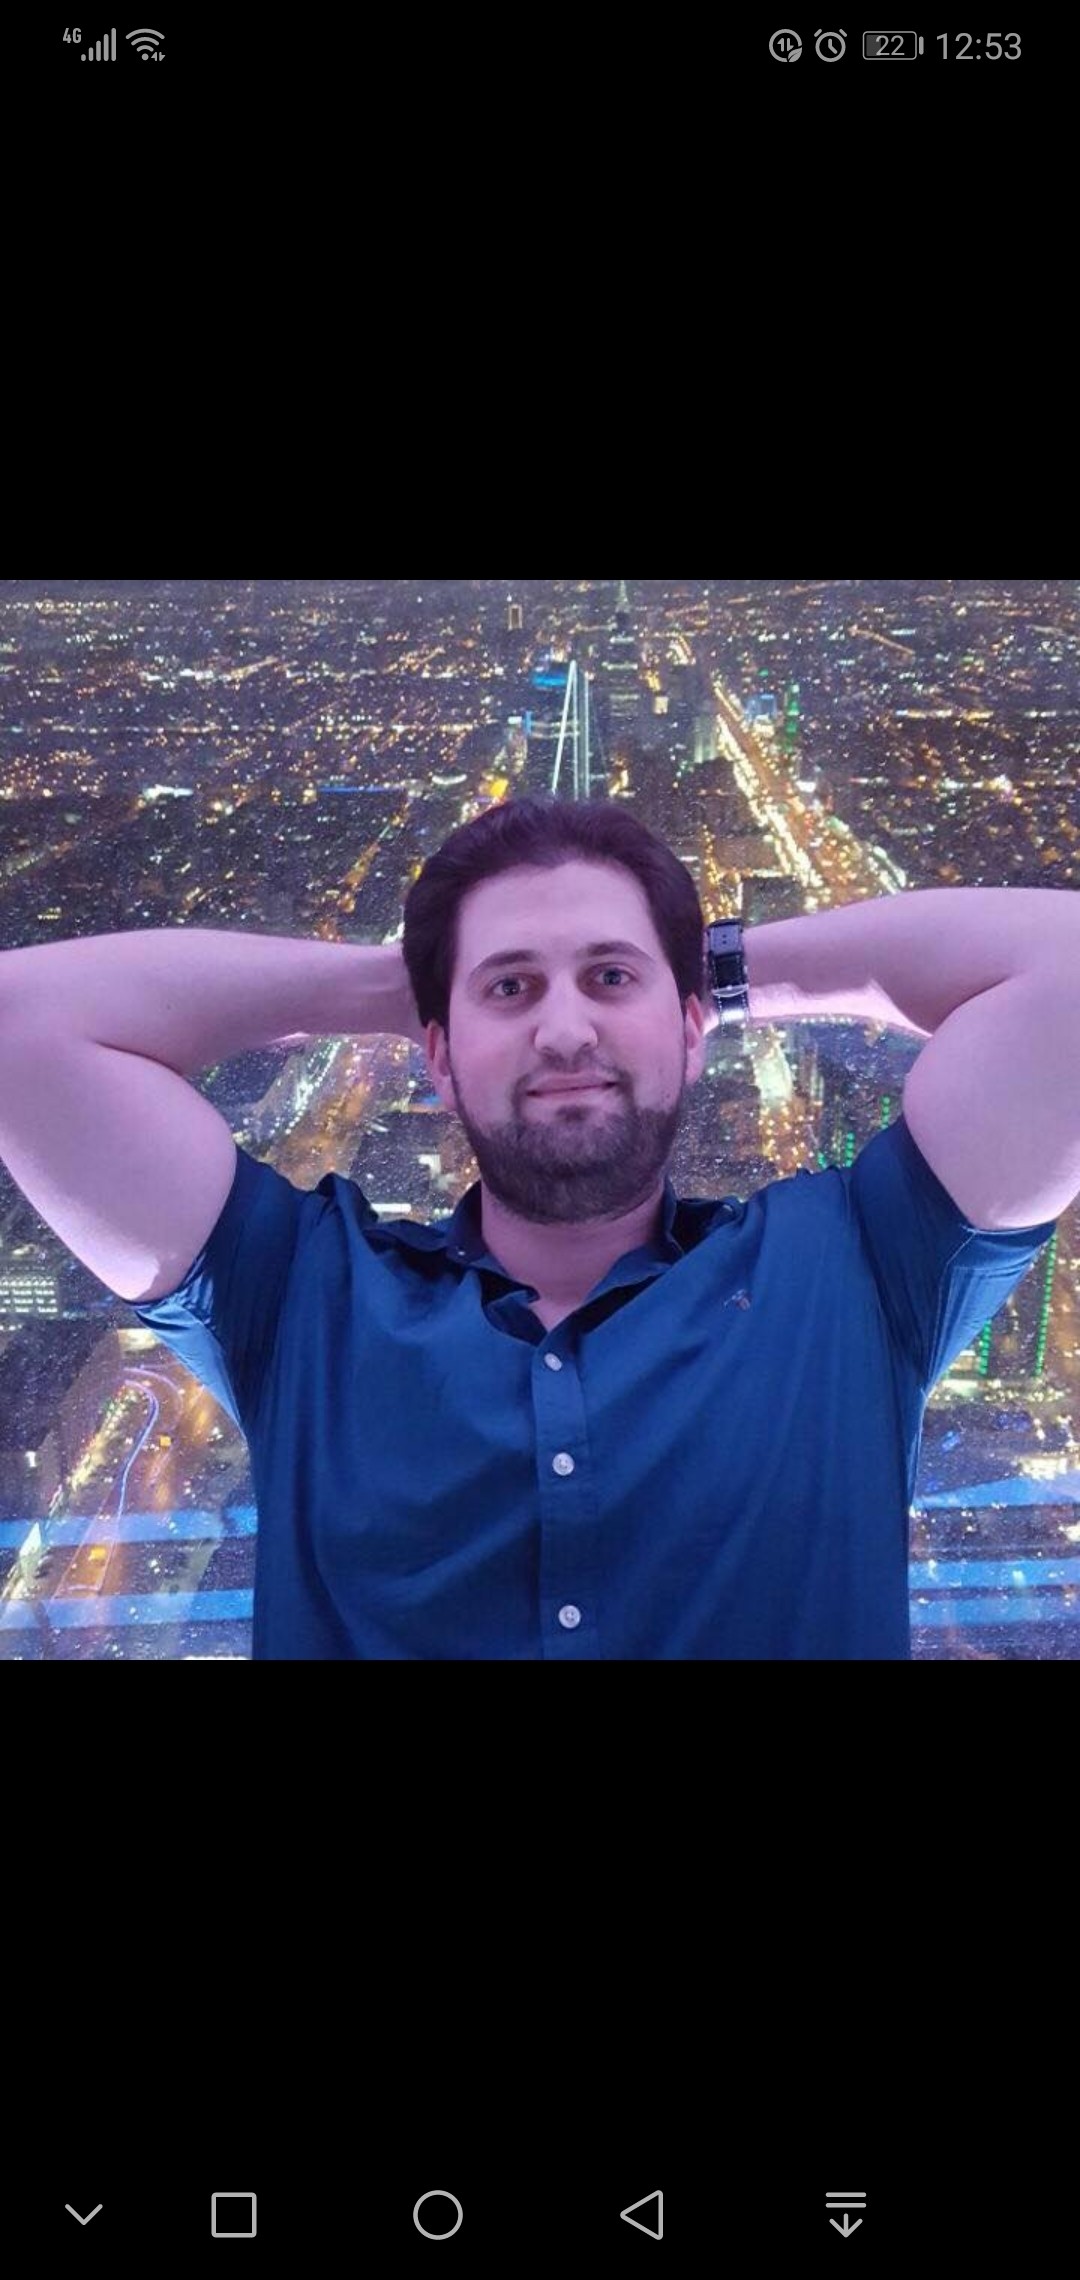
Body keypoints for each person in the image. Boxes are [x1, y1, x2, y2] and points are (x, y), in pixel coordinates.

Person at [1, 797, 1058, 1659]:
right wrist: (399, 985)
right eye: (510, 988)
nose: (563, 1030)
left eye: (612, 978)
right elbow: (21, 1022)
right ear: (438, 1055)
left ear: (693, 1030)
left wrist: (712, 971)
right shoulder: (297, 1296)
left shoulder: (857, 1270)